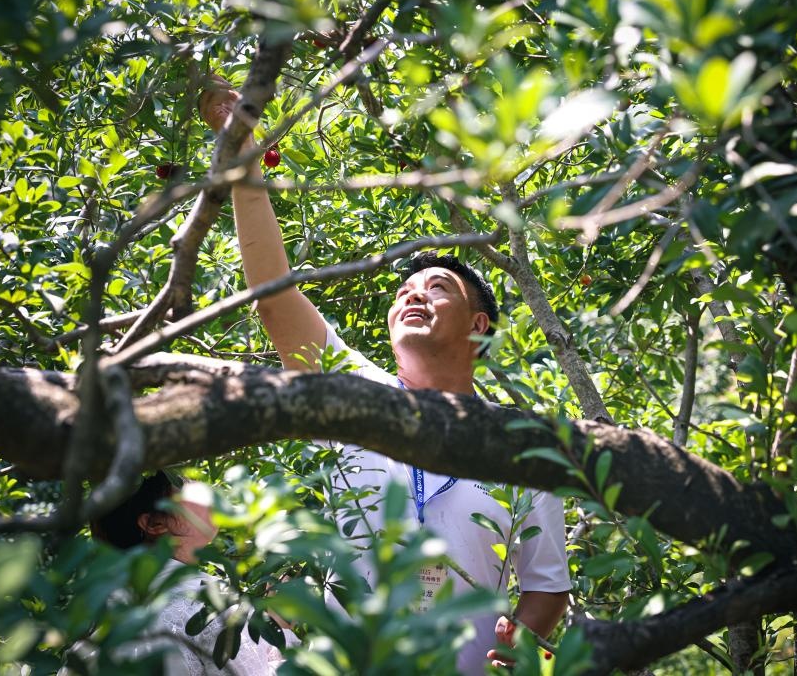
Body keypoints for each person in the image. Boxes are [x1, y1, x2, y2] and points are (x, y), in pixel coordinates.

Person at [199, 75, 571, 674]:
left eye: (437, 288)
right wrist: (244, 163)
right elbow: (274, 298)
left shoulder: (525, 444)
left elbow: (548, 585)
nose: (412, 298)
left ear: (479, 326)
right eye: (403, 292)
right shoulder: (353, 391)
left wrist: (516, 648)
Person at [90, 471, 297, 676]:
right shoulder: (208, 602)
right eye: (185, 485)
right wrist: (280, 630)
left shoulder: (104, 603)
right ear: (155, 524)